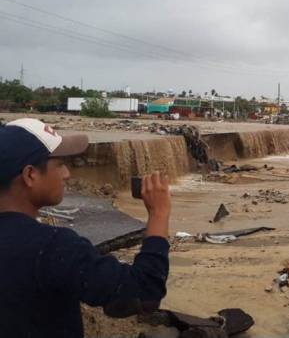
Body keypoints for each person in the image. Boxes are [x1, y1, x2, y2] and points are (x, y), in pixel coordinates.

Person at [0, 118, 172, 338]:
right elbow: (144, 291)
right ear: (30, 175)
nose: (66, 174)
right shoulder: (53, 248)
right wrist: (159, 213)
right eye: (60, 164)